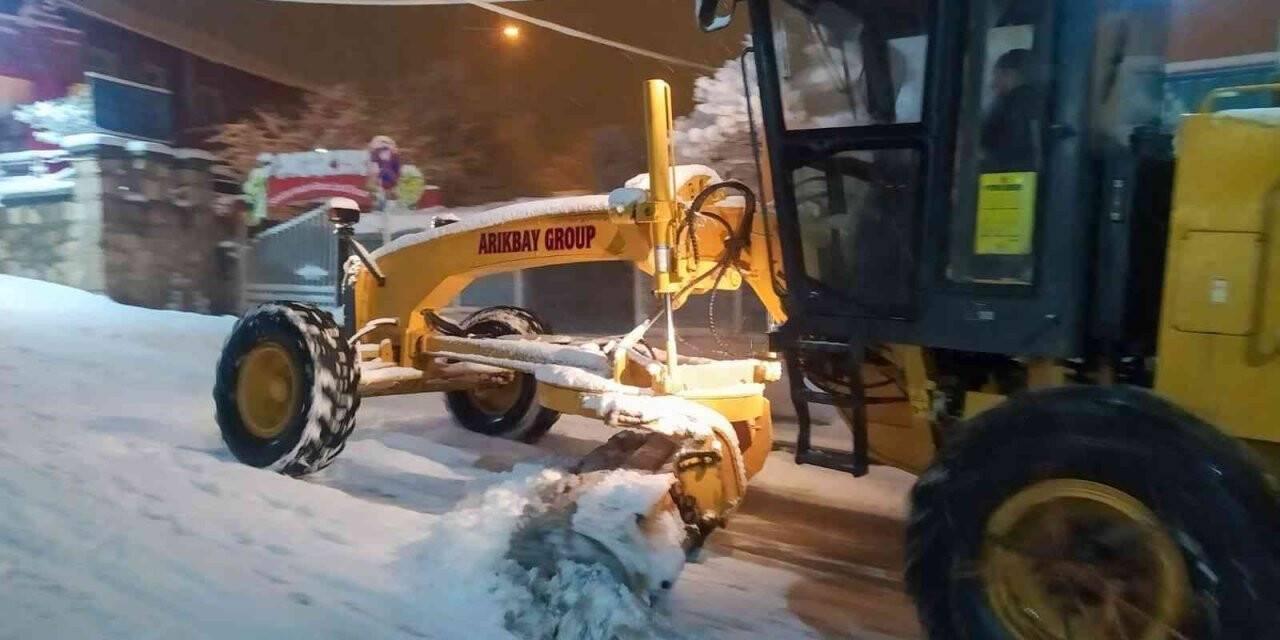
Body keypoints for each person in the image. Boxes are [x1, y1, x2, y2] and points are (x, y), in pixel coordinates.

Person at [980, 48, 1041, 171]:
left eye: (996, 75)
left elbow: (1009, 151)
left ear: (1010, 75)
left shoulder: (1013, 105)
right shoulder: (1035, 101)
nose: (993, 84)